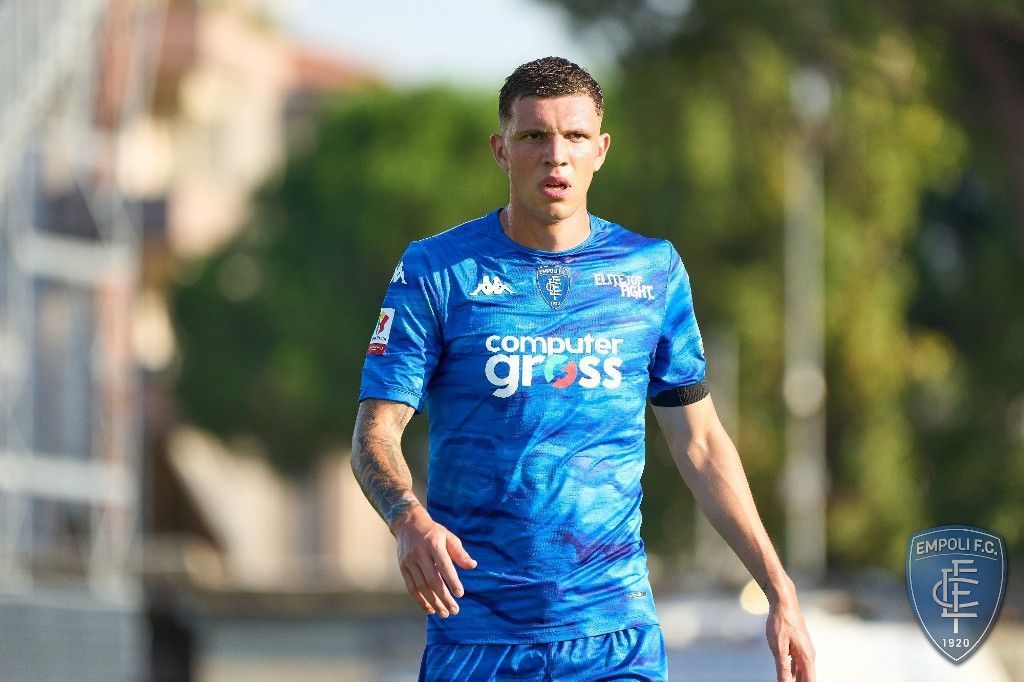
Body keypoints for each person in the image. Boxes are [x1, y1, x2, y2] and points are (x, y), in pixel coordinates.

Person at [352, 56, 816, 681]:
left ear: (601, 150)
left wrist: (779, 587)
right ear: (500, 150)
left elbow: (701, 443)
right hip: (479, 634)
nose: (556, 157)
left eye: (574, 136)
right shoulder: (437, 271)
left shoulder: (651, 271)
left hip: (614, 634)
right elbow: (374, 433)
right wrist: (407, 519)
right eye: (533, 136)